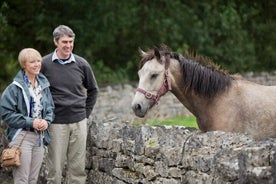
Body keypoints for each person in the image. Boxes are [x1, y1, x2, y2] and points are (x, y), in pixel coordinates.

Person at [41, 25, 98, 184]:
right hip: (55, 123)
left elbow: (93, 90)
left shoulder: (82, 64)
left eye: (71, 42)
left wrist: (85, 114)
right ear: (55, 42)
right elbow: (35, 91)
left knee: (77, 169)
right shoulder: (44, 64)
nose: (68, 45)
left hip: (79, 122)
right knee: (55, 169)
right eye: (64, 42)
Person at [0, 48, 55, 183]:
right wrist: (31, 122)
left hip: (40, 138)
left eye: (38, 61)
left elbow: (51, 108)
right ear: (24, 65)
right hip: (22, 137)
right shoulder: (14, 88)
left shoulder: (44, 85)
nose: (37, 64)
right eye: (32, 62)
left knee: (33, 179)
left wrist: (47, 121)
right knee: (22, 179)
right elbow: (6, 114)